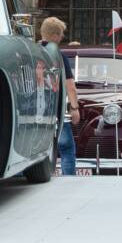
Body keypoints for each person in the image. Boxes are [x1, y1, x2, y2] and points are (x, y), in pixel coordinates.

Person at [39, 17, 79, 177]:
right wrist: (74, 108)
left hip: (34, 112)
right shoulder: (59, 56)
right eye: (61, 34)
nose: (62, 38)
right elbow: (70, 85)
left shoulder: (30, 53)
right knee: (67, 149)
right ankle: (68, 181)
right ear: (55, 35)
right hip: (56, 112)